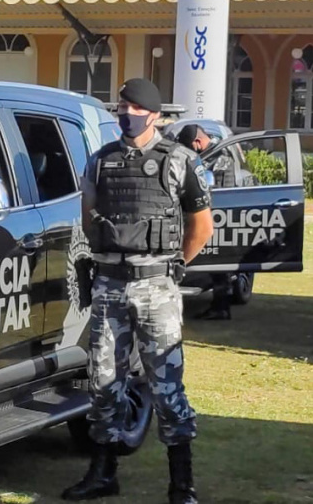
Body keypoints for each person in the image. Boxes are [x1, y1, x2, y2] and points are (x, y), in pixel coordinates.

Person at [63, 79, 214, 504]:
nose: (126, 114)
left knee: (166, 384)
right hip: (110, 283)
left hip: (156, 287)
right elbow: (89, 219)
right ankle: (102, 473)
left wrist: (174, 265)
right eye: (121, 108)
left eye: (134, 108)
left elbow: (202, 226)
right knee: (103, 381)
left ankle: (181, 485)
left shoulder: (181, 161)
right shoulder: (100, 161)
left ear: (155, 115)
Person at [176, 124, 235, 321]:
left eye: (189, 147)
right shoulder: (208, 155)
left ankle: (221, 307)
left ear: (198, 142)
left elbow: (217, 190)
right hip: (205, 215)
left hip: (219, 215)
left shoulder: (221, 159)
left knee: (219, 265)